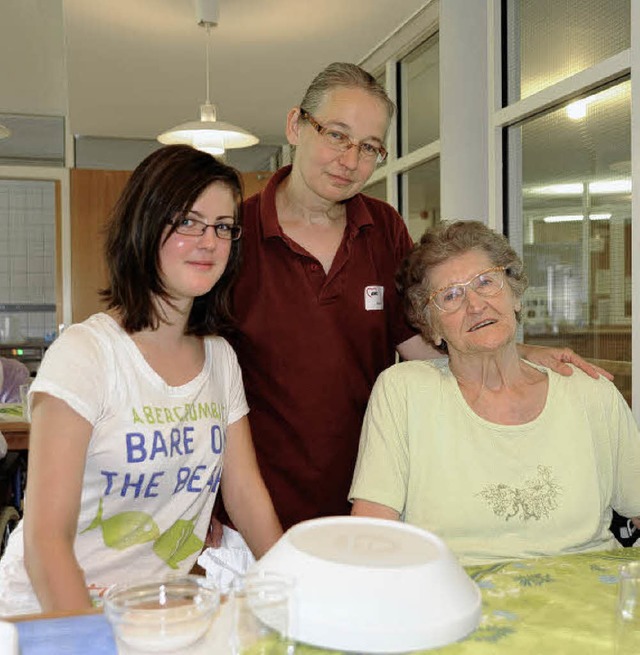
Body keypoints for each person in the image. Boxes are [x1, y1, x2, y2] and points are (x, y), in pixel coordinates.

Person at [212, 63, 609, 552]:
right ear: (297, 125)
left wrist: (517, 353)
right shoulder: (232, 235)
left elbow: (427, 343)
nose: (350, 160)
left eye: (370, 147)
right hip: (256, 510)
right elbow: (199, 382)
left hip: (375, 495)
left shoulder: (383, 228)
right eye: (337, 135)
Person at [0, 145, 282, 616]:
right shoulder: (87, 354)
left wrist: (294, 583)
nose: (209, 241)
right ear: (145, 226)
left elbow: (246, 495)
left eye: (222, 227)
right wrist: (85, 642)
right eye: (187, 222)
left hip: (155, 611)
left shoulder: (220, 359)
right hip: (53, 612)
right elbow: (46, 538)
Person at [350, 220, 640, 564]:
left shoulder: (590, 392)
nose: (474, 305)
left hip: (588, 600)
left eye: (486, 282)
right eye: (450, 296)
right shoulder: (404, 392)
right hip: (456, 600)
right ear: (431, 327)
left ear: (515, 295)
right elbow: (372, 536)